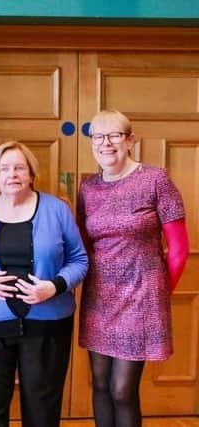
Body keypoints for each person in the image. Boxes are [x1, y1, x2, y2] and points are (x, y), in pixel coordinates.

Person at [78, 110, 189, 427]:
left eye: (114, 135)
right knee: (99, 384)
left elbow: (179, 249)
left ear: (130, 139)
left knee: (122, 390)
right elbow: (84, 246)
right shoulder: (88, 188)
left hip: (141, 297)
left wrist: (159, 293)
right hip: (98, 299)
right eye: (97, 136)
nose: (105, 143)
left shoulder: (156, 180)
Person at [0, 141, 88, 427]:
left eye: (20, 167)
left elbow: (80, 260)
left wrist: (55, 286)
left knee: (42, 410)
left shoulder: (57, 211)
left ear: (32, 173)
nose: (12, 174)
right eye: (4, 168)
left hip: (48, 325)